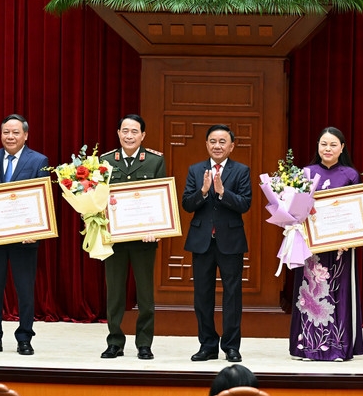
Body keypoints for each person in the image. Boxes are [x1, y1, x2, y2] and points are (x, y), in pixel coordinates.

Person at [0, 114, 49, 356]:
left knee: (25, 291)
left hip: (25, 239)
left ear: (26, 135)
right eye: (6, 132)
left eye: (15, 132)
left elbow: (43, 199)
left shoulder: (38, 160)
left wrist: (36, 231)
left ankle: (25, 337)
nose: (10, 137)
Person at [290, 127, 363, 361]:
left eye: (333, 144)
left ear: (342, 148)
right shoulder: (306, 172)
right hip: (312, 248)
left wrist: (349, 237)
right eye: (324, 144)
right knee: (310, 295)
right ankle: (307, 346)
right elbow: (296, 211)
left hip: (341, 246)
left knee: (338, 293)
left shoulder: (350, 174)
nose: (328, 149)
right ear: (318, 147)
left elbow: (356, 211)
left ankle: (337, 347)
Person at [183, 124, 252, 363]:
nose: (217, 145)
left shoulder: (241, 171)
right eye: (213, 141)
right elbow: (187, 204)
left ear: (231, 146)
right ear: (206, 144)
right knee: (202, 296)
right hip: (201, 241)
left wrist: (223, 192)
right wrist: (203, 191)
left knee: (232, 296)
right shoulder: (195, 170)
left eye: (223, 142)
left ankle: (231, 346)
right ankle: (208, 345)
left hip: (230, 241)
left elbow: (245, 204)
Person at [99, 114, 166, 360]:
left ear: (143, 135)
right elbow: (96, 200)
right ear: (118, 133)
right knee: (115, 293)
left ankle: (144, 343)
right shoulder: (105, 161)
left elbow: (161, 197)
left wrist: (158, 228)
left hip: (143, 240)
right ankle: (114, 341)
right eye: (125, 131)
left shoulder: (154, 161)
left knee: (145, 295)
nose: (129, 135)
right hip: (114, 239)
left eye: (134, 131)